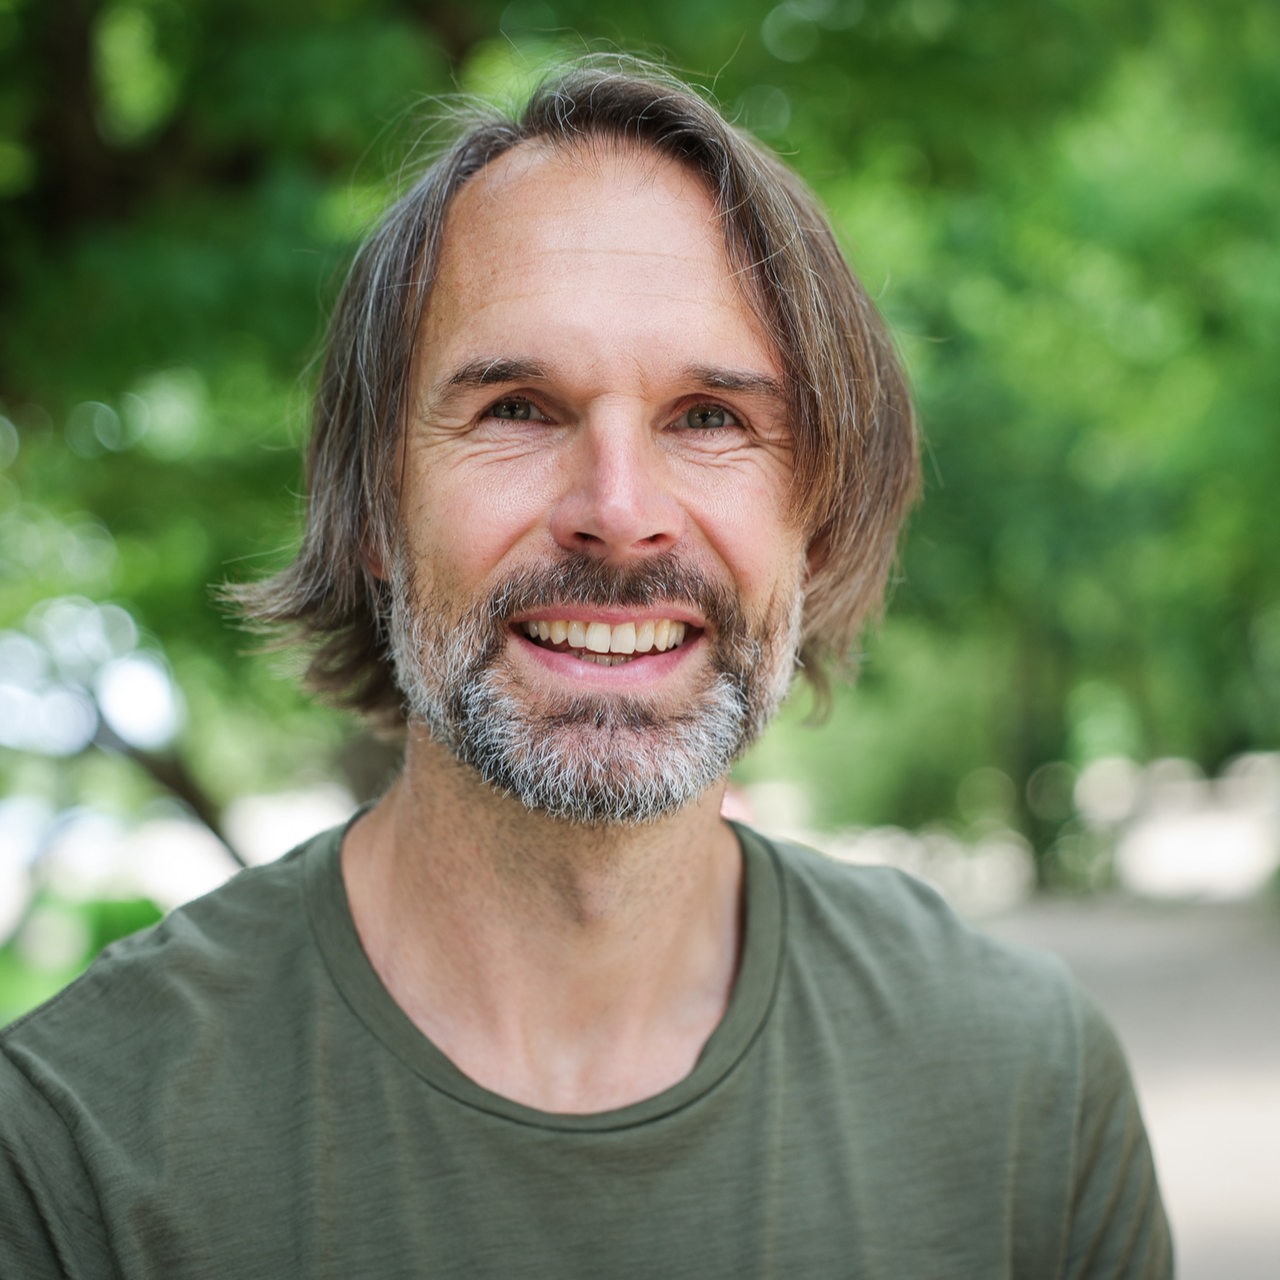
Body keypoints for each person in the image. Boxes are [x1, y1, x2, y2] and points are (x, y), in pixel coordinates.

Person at [0, 59, 1171, 1277]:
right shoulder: (72, 1147)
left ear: (813, 525)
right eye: (516, 407)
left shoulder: (1025, 1090)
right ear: (370, 512)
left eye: (710, 418)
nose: (617, 512)